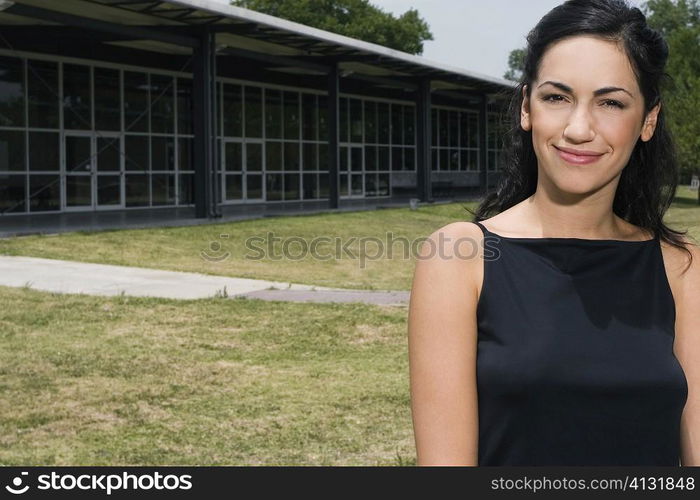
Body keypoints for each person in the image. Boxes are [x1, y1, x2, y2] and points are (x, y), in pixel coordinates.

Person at [408, 0, 699, 466]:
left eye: (611, 102)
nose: (578, 128)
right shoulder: (459, 256)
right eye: (557, 97)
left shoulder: (682, 267)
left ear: (648, 120)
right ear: (527, 107)